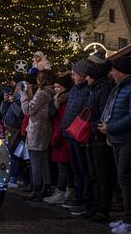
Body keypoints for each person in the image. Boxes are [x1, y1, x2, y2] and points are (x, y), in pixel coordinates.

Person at [99, 56, 131, 233]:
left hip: (126, 139)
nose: (111, 73)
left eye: (114, 70)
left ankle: (129, 221)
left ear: (122, 71)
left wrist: (111, 127)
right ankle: (127, 218)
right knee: (122, 179)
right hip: (117, 139)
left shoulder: (128, 88)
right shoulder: (119, 88)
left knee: (125, 179)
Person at [83, 55, 115, 222]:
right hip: (92, 137)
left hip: (98, 139)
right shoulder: (95, 89)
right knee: (94, 175)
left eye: (88, 76)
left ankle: (102, 209)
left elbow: (103, 113)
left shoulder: (103, 89)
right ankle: (95, 207)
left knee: (102, 176)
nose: (86, 78)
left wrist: (94, 127)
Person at [61, 60, 94, 216]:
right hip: (70, 133)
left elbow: (84, 112)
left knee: (83, 168)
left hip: (80, 135)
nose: (72, 77)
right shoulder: (75, 90)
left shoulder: (88, 90)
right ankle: (78, 197)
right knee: (75, 168)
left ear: (83, 75)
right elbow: (69, 110)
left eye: (75, 74)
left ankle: (84, 200)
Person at [20, 69, 56, 201]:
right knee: (44, 160)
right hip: (45, 128)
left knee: (35, 160)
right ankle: (45, 186)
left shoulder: (42, 93)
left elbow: (28, 110)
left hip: (37, 129)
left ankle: (36, 188)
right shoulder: (51, 92)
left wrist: (23, 95)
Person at [44, 73, 74, 205]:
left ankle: (63, 191)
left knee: (63, 166)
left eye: (59, 87)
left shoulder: (63, 101)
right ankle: (66, 190)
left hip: (62, 137)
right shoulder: (58, 99)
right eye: (55, 87)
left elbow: (61, 121)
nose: (56, 89)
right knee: (63, 165)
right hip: (59, 135)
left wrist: (56, 137)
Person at [1, 82, 24, 187]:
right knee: (9, 152)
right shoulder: (13, 100)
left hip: (16, 130)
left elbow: (21, 115)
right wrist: (5, 102)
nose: (16, 90)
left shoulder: (20, 101)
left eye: (19, 88)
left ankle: (15, 177)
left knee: (15, 153)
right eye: (16, 88)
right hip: (8, 129)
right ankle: (10, 175)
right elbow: (3, 111)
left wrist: (13, 103)